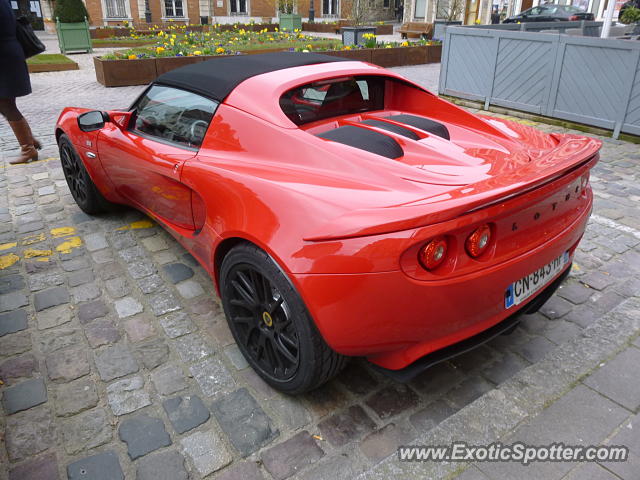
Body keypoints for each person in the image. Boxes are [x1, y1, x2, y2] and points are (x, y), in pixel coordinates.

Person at [0, 0, 41, 164]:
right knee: (5, 102)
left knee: (5, 103)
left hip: (3, 55)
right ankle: (29, 140)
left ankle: (28, 149)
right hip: (8, 52)